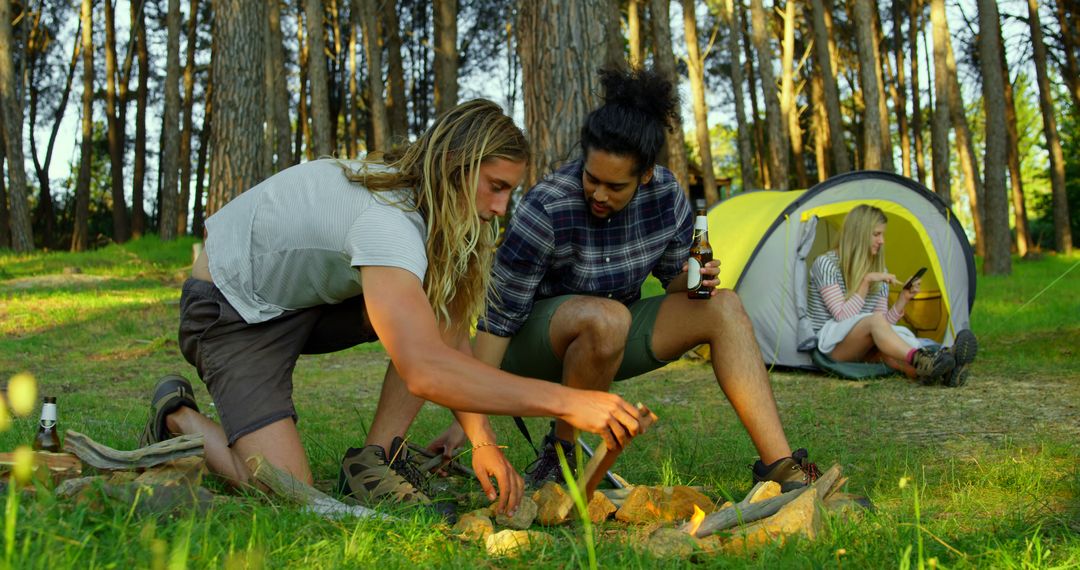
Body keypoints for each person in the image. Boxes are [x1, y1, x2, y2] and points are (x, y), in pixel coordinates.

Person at [137, 99, 648, 517]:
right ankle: (177, 418)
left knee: (439, 296)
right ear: (456, 165)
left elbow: (446, 333)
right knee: (286, 489)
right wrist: (567, 401)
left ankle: (372, 462)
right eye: (495, 187)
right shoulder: (388, 222)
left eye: (508, 191)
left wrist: (483, 442)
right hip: (229, 311)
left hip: (301, 301)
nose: (500, 208)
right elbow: (424, 367)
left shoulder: (421, 202)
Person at [423, 68, 819, 492]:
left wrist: (691, 279)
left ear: (645, 174)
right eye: (591, 178)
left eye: (615, 186)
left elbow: (671, 284)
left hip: (613, 334)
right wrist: (469, 422)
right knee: (607, 317)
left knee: (722, 305)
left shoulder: (666, 195)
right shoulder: (548, 206)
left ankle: (780, 465)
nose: (598, 194)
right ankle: (562, 455)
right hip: (528, 344)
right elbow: (496, 321)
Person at [807, 204, 978, 386]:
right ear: (858, 234)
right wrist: (866, 282)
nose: (882, 241)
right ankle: (924, 357)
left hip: (863, 343)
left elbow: (883, 327)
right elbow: (842, 316)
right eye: (876, 234)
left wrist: (902, 300)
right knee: (875, 322)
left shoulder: (878, 270)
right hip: (831, 346)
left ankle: (946, 372)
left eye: (882, 235)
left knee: (890, 354)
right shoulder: (826, 264)